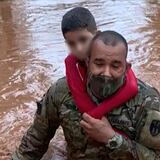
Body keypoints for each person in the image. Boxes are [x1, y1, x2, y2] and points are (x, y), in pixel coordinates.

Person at [12, 30, 160, 160]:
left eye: (115, 66)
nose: (106, 73)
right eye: (99, 63)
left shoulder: (147, 102)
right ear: (87, 61)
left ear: (126, 67)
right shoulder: (61, 92)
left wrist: (112, 138)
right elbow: (33, 145)